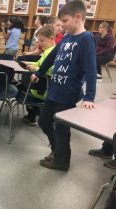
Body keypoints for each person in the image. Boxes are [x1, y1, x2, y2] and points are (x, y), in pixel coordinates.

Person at [31, 0, 97, 171]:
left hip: (68, 94)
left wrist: (89, 96)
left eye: (65, 21)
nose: (62, 26)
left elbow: (91, 69)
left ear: (78, 17)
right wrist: (38, 73)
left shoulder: (86, 38)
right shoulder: (67, 37)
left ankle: (62, 161)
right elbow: (52, 56)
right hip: (54, 91)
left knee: (61, 129)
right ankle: (56, 151)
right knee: (44, 122)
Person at [21, 25, 56, 126]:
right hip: (41, 87)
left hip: (43, 89)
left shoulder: (53, 52)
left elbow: (51, 70)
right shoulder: (47, 51)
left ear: (51, 39)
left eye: (42, 40)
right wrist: (28, 63)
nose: (39, 44)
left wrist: (36, 69)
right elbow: (39, 64)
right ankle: (34, 114)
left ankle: (32, 115)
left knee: (22, 88)